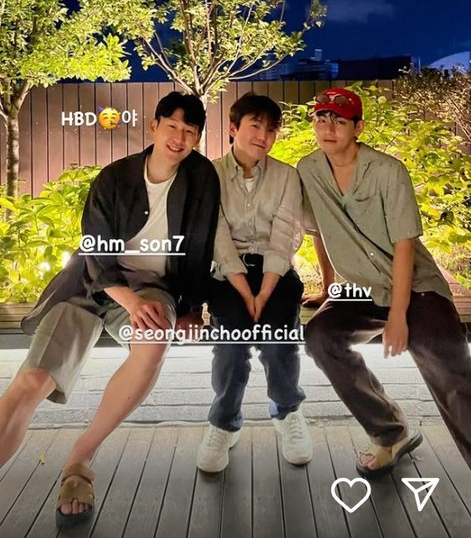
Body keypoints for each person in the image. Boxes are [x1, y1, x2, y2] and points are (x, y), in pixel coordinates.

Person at [0, 92, 220, 527]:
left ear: (197, 138)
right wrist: (128, 300)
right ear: (154, 126)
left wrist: (192, 308)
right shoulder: (115, 177)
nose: (179, 138)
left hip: (155, 288)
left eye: (189, 131)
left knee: (154, 338)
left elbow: (199, 247)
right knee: (32, 380)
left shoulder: (201, 177)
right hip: (90, 285)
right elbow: (95, 250)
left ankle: (79, 462)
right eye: (172, 126)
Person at [297, 87, 471, 481]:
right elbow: (318, 230)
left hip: (415, 286)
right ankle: (390, 433)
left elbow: (404, 246)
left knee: (442, 353)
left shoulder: (387, 171)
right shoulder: (309, 169)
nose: (328, 127)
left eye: (339, 120)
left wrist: (399, 315)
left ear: (358, 127)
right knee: (320, 337)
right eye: (321, 118)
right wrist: (329, 287)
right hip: (360, 288)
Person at [196, 92, 312, 474]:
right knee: (231, 348)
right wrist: (245, 290)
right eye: (255, 126)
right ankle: (223, 423)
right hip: (228, 275)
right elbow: (216, 236)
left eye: (271, 130)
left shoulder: (286, 176)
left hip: (275, 274)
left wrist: (264, 290)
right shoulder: (210, 174)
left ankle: (287, 412)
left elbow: (284, 235)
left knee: (279, 344)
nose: (263, 136)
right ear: (233, 128)